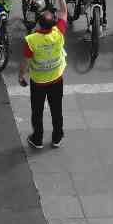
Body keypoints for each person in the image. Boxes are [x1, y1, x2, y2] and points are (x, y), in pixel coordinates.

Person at [21, 8, 67, 149]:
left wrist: (21, 76)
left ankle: (37, 139)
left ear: (39, 24)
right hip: (56, 80)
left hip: (39, 82)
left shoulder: (31, 40)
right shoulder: (58, 32)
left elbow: (26, 62)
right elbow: (64, 12)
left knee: (37, 111)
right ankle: (57, 138)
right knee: (57, 110)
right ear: (53, 23)